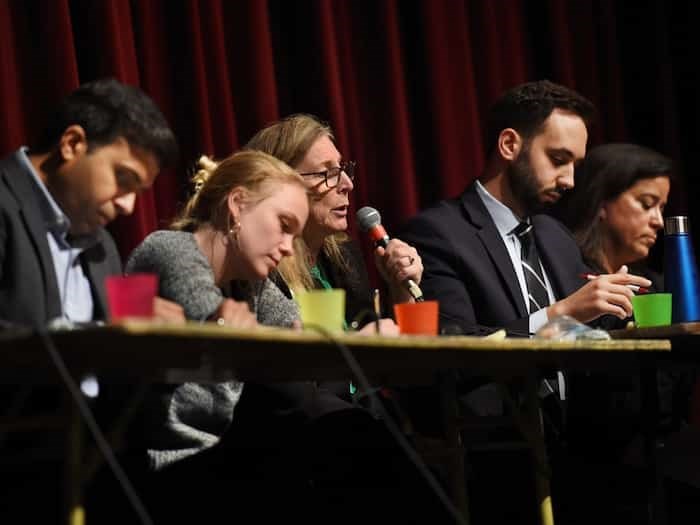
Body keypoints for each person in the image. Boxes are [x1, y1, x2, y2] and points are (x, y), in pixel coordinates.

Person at [119, 151, 449, 524]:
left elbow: (300, 340)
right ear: (238, 206)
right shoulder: (170, 248)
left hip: (226, 457)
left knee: (360, 444)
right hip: (167, 464)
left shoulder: (251, 284)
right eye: (284, 225)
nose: (289, 247)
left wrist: (358, 341)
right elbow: (225, 329)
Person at [401, 80, 652, 337]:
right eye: (558, 160)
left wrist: (616, 303)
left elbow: (590, 335)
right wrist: (560, 314)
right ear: (509, 145)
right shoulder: (437, 234)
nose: (569, 181)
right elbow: (456, 351)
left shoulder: (556, 235)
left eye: (575, 165)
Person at [0, 77, 183, 327]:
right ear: (72, 144)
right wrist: (99, 335)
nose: (128, 206)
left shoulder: (103, 246)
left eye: (138, 192)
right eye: (123, 178)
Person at [244, 113, 422, 332]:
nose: (347, 184)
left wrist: (400, 291)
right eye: (327, 173)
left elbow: (386, 355)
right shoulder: (261, 268)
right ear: (278, 185)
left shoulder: (345, 257)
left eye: (342, 169)